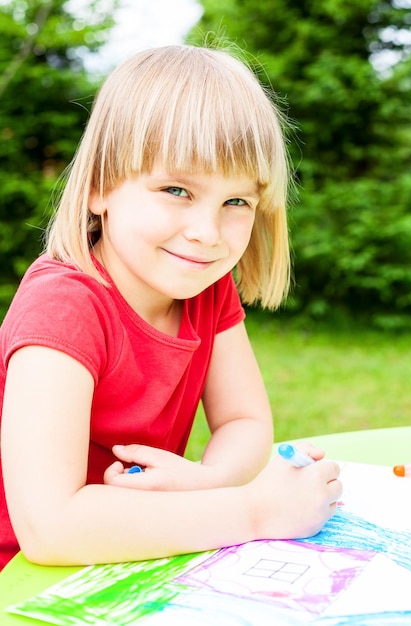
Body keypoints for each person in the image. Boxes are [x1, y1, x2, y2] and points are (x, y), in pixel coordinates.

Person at [0, 44, 342, 571]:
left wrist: (206, 482)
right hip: (25, 580)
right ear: (99, 187)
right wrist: (253, 512)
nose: (206, 234)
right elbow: (50, 528)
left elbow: (245, 420)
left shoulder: (205, 289)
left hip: (134, 564)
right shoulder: (64, 306)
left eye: (236, 202)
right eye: (177, 189)